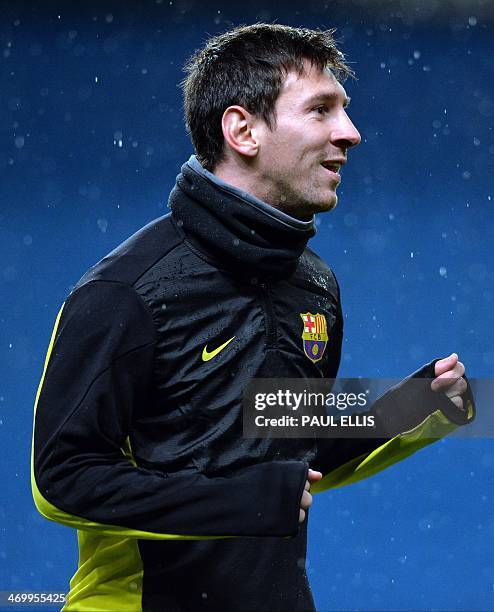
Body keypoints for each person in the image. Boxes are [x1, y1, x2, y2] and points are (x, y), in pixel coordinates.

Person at [31, 23, 474, 612]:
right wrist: (232, 503)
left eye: (344, 110)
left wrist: (411, 408)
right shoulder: (123, 292)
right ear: (242, 130)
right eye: (321, 110)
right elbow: (61, 480)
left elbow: (286, 445)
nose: (352, 133)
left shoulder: (314, 285)